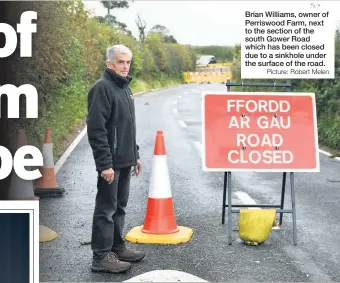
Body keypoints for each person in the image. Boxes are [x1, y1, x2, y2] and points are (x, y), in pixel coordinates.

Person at [86, 44, 145, 274]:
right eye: (121, 62)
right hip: (110, 163)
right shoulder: (102, 88)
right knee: (106, 209)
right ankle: (101, 257)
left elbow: (127, 127)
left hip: (124, 160)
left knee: (119, 207)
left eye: (128, 62)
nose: (125, 66)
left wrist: (135, 155)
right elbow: (97, 130)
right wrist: (104, 164)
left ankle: (117, 247)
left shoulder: (125, 88)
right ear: (109, 63)